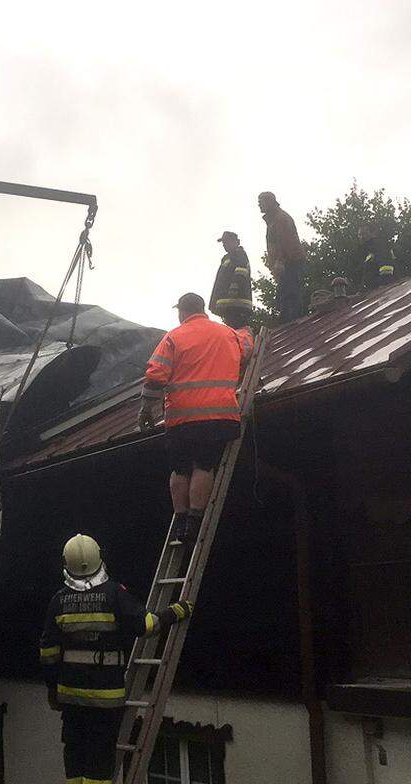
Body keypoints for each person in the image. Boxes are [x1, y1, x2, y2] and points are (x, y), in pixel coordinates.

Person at [40, 534, 194, 784]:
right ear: (100, 557)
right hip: (105, 697)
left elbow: (48, 653)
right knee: (100, 758)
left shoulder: (58, 600)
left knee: (75, 754)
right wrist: (176, 612)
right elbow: (146, 626)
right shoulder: (114, 593)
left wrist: (53, 691)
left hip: (70, 697)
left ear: (66, 563)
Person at [139, 293, 245, 542]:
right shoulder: (228, 333)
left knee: (180, 469)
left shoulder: (174, 337)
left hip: (183, 418)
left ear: (182, 312)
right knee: (204, 465)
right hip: (221, 414)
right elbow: (244, 355)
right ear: (203, 309)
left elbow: (156, 375)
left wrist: (146, 409)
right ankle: (196, 520)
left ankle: (181, 521)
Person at [259, 191, 308, 322]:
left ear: (270, 202)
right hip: (288, 263)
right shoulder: (273, 220)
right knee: (285, 295)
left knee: (289, 295)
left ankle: (293, 324)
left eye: (261, 202)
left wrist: (280, 262)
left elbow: (286, 242)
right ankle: (290, 321)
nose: (259, 205)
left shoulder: (280, 219)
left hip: (291, 262)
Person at [209, 231, 253, 324]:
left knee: (236, 332)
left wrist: (233, 292)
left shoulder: (239, 255)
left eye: (228, 242)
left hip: (235, 304)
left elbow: (240, 273)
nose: (225, 245)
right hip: (229, 304)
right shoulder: (228, 258)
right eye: (224, 243)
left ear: (237, 242)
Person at [358, 221, 398, 291]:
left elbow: (386, 267)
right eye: (359, 235)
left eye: (364, 234)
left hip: (384, 289)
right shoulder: (368, 249)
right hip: (374, 291)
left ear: (373, 233)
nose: (361, 237)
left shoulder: (379, 245)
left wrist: (384, 285)